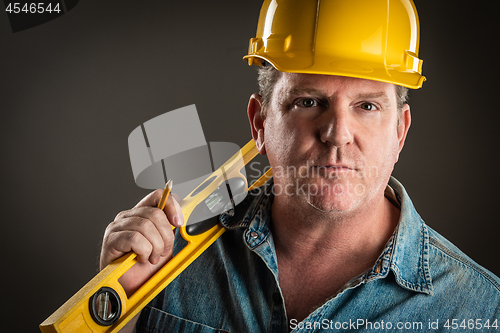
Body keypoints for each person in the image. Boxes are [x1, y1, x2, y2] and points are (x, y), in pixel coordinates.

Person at [100, 0, 500, 332]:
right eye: (308, 102)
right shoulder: (169, 261)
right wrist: (116, 309)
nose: (337, 133)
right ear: (259, 123)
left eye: (367, 106)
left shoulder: (483, 311)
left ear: (399, 132)